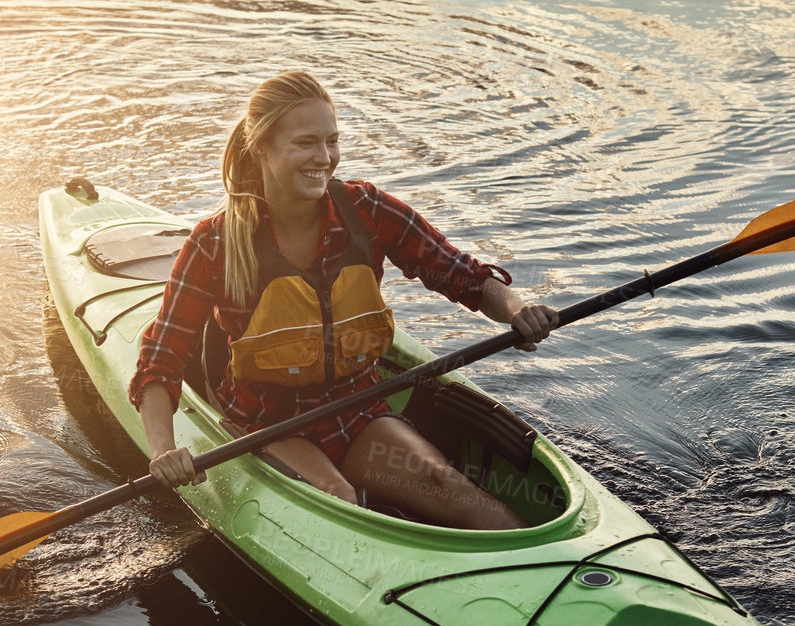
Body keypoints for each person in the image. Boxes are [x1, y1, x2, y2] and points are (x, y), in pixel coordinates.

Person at [128, 71, 558, 531]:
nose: (325, 157)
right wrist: (163, 450)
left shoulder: (366, 210)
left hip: (357, 409)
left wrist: (516, 309)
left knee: (447, 485)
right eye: (307, 143)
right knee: (340, 500)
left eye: (332, 141)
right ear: (262, 148)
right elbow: (162, 357)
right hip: (267, 425)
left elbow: (461, 274)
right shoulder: (216, 242)